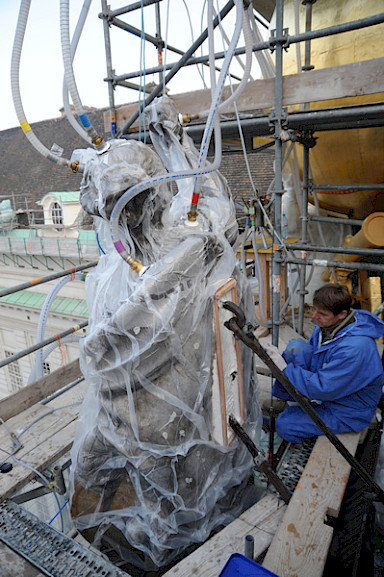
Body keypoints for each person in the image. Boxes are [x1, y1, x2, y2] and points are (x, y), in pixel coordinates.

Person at [265, 283, 384, 443]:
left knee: (286, 425)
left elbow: (323, 388)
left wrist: (285, 370)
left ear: (341, 314)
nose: (314, 316)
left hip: (347, 409)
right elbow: (315, 353)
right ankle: (290, 400)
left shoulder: (355, 350)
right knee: (296, 348)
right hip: (333, 387)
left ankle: (308, 424)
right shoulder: (332, 324)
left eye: (322, 313)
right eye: (315, 310)